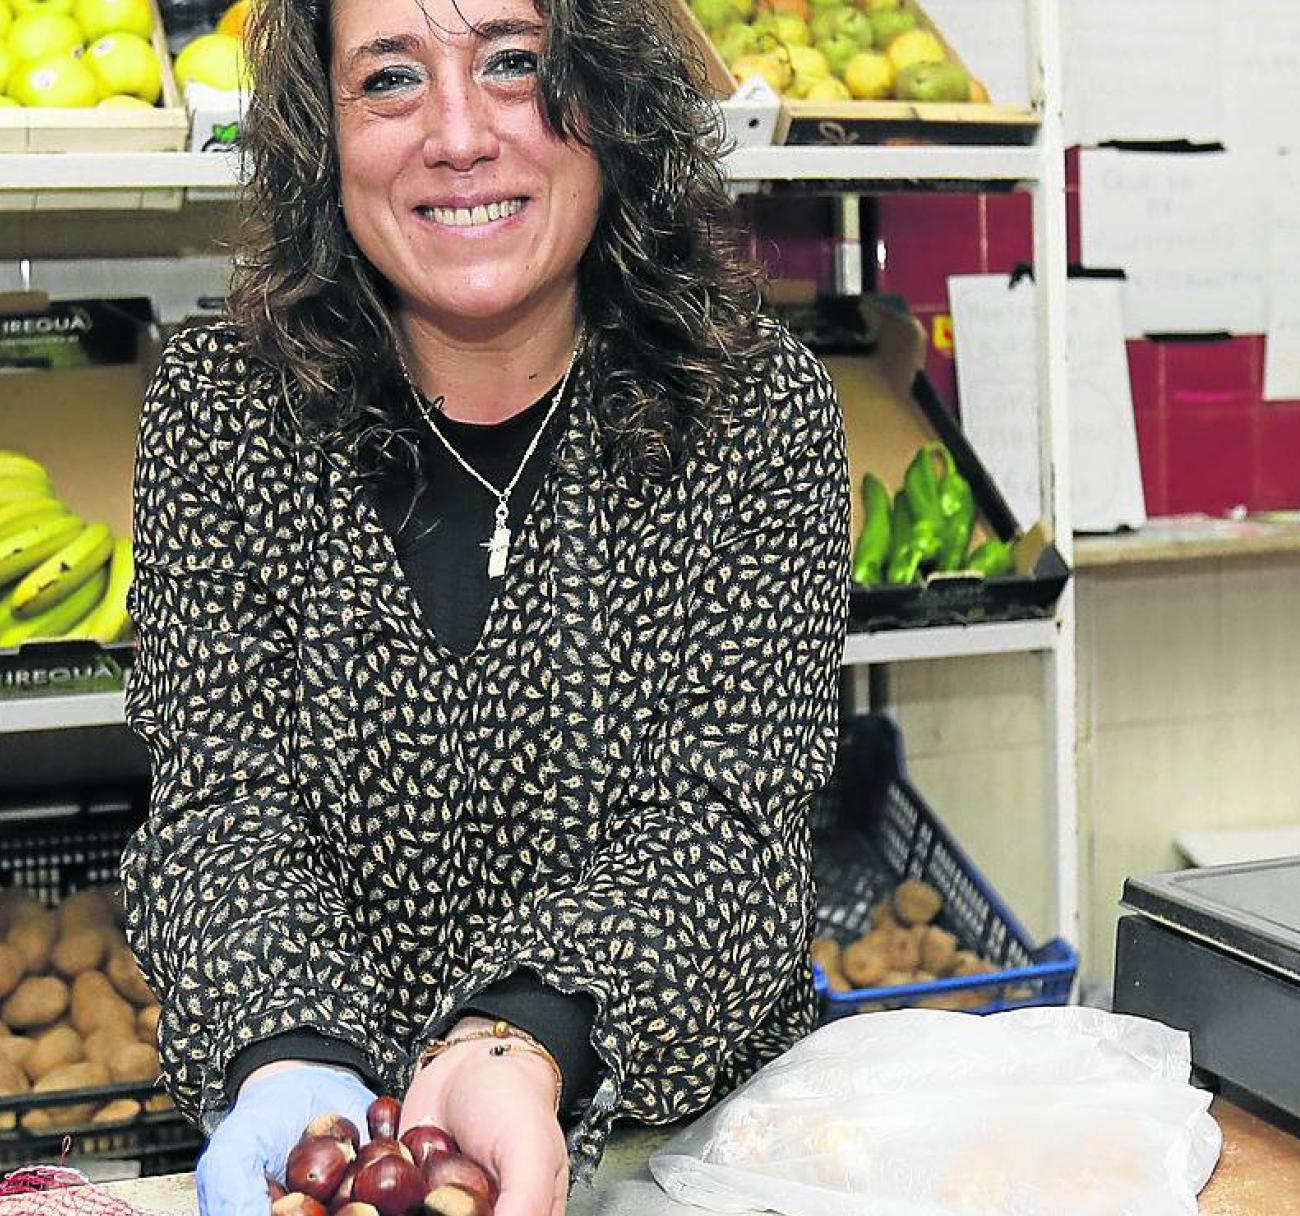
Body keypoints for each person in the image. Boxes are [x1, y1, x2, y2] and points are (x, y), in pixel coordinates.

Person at [117, 0, 850, 1205]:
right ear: (323, 134)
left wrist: (523, 1041)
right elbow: (221, 803)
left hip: (673, 1160)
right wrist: (290, 1055)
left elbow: (729, 822)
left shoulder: (750, 413)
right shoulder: (223, 411)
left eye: (514, 63)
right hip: (342, 1162)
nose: (457, 135)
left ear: (610, 99)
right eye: (389, 79)